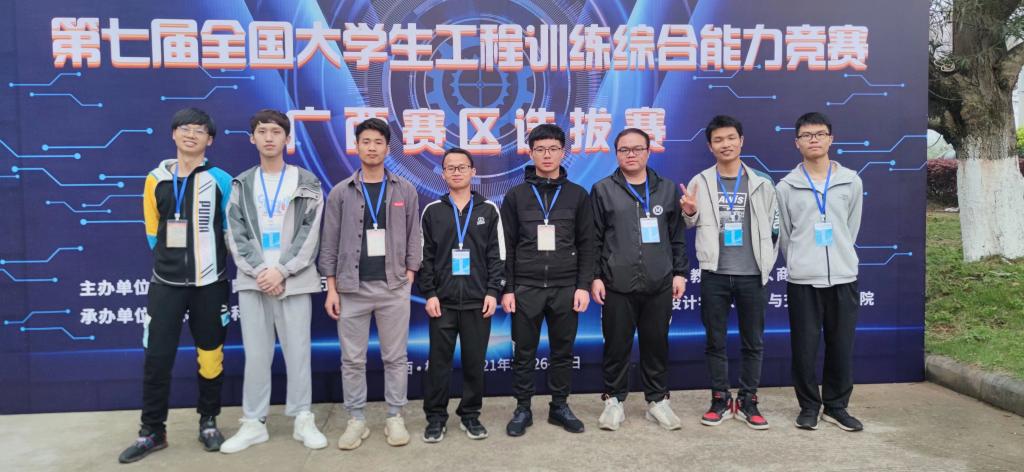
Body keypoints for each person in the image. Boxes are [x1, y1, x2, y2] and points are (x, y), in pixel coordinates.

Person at [119, 108, 233, 463]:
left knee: (211, 357)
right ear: (173, 134)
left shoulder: (221, 180)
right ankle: (152, 430)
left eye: (199, 130)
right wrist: (170, 263)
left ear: (209, 140)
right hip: (166, 285)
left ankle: (209, 422)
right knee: (156, 358)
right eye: (185, 128)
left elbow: (229, 230)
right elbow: (152, 231)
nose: (191, 134)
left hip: (210, 283)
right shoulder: (155, 179)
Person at [220, 109, 327, 453]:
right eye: (262, 131)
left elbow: (310, 233)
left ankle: (302, 418)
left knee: (298, 352)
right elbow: (234, 232)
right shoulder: (241, 184)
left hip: (293, 280)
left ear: (287, 138)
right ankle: (254, 422)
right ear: (252, 138)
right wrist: (261, 272)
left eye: (276, 131)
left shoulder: (306, 181)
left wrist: (281, 270)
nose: (269, 137)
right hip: (253, 282)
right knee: (256, 354)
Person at [318, 117, 422, 449]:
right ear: (357, 146)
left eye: (378, 142)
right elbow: (329, 242)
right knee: (352, 359)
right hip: (351, 288)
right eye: (366, 141)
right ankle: (356, 420)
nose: (372, 148)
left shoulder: (404, 189)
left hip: (393, 287)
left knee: (395, 357)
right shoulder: (341, 192)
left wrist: (410, 274)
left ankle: (395, 416)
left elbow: (414, 235)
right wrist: (331, 288)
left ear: (387, 148)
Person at [679, 115, 779, 430]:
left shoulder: (761, 182)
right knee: (715, 340)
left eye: (731, 138)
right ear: (710, 147)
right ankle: (720, 399)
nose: (726, 144)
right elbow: (688, 222)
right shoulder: (700, 181)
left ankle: (748, 400)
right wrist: (689, 212)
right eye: (718, 140)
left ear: (741, 141)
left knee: (753, 341)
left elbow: (775, 227)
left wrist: (767, 261)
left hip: (752, 274)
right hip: (715, 274)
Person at [500, 124, 595, 437]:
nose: (547, 155)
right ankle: (522, 408)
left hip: (565, 287)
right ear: (531, 153)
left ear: (563, 153)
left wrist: (583, 286)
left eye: (553, 149)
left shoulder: (578, 195)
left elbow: (587, 244)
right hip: (526, 287)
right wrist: (508, 289)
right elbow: (506, 246)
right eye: (540, 149)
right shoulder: (516, 196)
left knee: (562, 351)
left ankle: (559, 406)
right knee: (523, 352)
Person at [591, 128, 689, 432]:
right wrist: (595, 276)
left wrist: (680, 273)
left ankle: (657, 401)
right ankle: (613, 401)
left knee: (656, 344)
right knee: (616, 345)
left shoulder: (667, 189)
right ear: (616, 153)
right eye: (624, 150)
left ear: (648, 151)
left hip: (659, 282)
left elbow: (677, 236)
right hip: (616, 283)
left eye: (637, 149)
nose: (630, 154)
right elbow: (594, 238)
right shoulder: (602, 189)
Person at [776, 112, 864, 432]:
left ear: (831, 139)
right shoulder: (786, 186)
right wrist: (801, 261)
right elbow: (786, 235)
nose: (813, 139)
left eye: (820, 134)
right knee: (804, 348)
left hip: (843, 276)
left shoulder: (851, 181)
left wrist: (839, 255)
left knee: (841, 345)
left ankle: (836, 406)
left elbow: (850, 227)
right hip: (803, 279)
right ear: (796, 143)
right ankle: (809, 406)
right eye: (806, 135)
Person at [418, 148, 505, 443]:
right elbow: (425, 258)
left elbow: (497, 256)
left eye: (462, 167)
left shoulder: (488, 210)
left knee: (474, 363)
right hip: (442, 302)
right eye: (450, 168)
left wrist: (493, 291)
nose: (456, 172)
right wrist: (430, 293)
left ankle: (470, 415)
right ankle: (435, 418)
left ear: (473, 172)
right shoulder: (433, 211)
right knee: (438, 363)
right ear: (443, 174)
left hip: (477, 302)